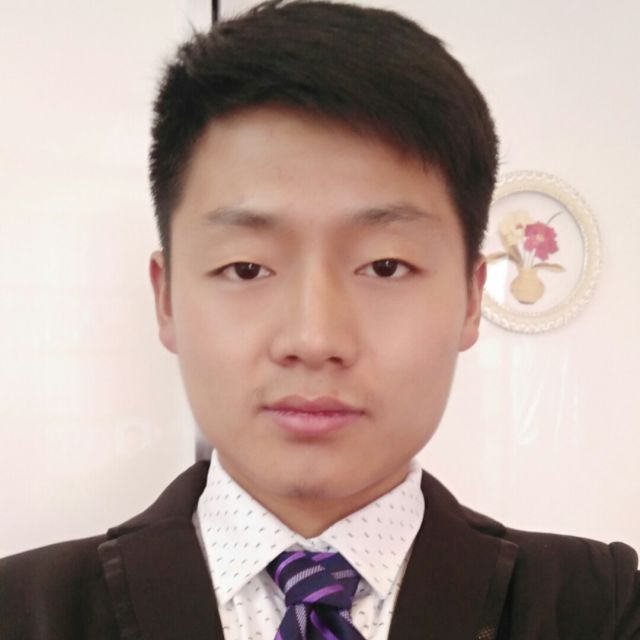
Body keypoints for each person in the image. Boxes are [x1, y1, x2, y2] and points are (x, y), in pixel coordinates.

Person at [1, 1, 638, 638]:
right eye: (247, 268)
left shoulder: (601, 608)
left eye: (385, 266)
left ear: (472, 299)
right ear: (166, 300)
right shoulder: (22, 611)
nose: (314, 339)